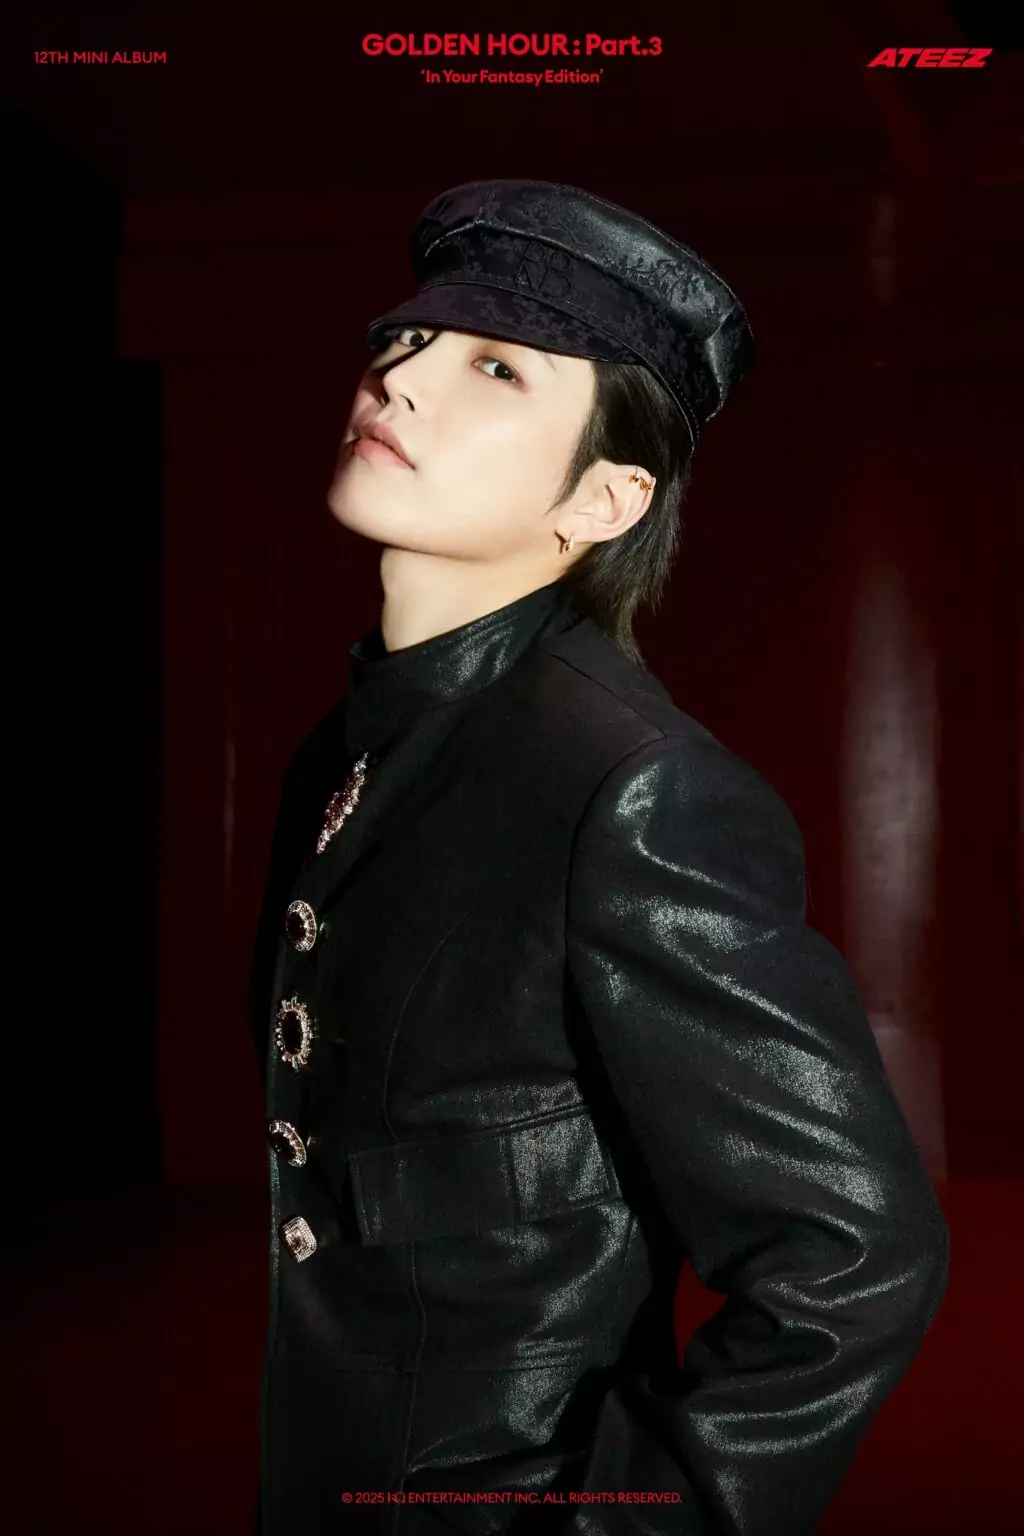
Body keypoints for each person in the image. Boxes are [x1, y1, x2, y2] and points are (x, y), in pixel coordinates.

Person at [250, 179, 949, 1536]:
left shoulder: (632, 790)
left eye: (496, 369)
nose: (401, 379)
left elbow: (857, 1257)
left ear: (606, 497)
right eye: (409, 339)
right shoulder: (340, 752)